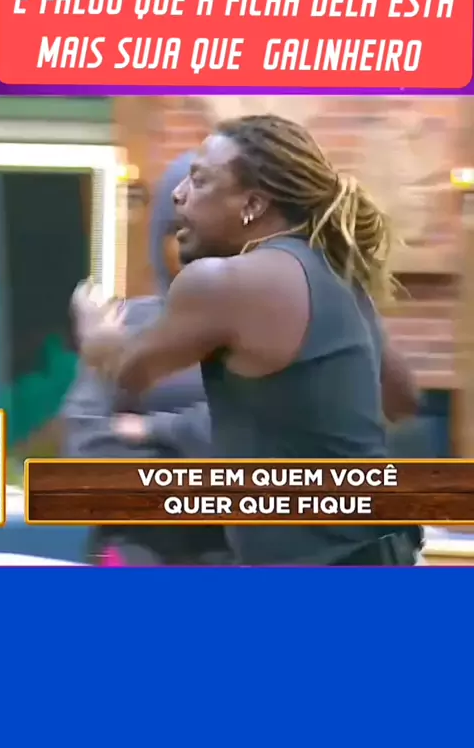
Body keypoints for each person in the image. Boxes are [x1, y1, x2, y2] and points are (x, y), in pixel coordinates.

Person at [81, 114, 421, 566]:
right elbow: (402, 399)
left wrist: (95, 332)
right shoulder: (340, 276)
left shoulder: (224, 282)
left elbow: (128, 372)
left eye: (200, 180)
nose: (179, 194)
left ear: (253, 204)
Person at [61, 153, 230, 566]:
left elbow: (266, 451)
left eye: (213, 233)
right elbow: (85, 456)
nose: (194, 248)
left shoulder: (271, 329)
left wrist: (148, 430)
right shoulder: (121, 326)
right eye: (179, 231)